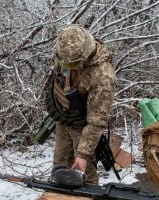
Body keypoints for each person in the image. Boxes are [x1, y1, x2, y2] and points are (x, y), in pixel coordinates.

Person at [47, 24, 116, 184]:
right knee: (60, 168)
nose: (66, 67)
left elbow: (96, 120)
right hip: (64, 120)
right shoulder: (65, 52)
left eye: (71, 65)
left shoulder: (102, 77)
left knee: (83, 175)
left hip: (84, 129)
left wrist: (83, 154)